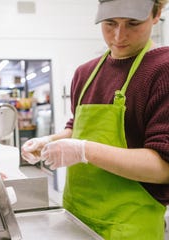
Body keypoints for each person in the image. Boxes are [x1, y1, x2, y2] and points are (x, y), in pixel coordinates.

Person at [21, 0, 169, 239]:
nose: (119, 36)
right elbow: (76, 128)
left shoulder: (162, 70)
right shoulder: (85, 73)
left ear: (156, 14)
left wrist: (83, 151)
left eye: (133, 23)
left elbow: (164, 168)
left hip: (130, 225)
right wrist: (49, 141)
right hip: (75, 215)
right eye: (109, 23)